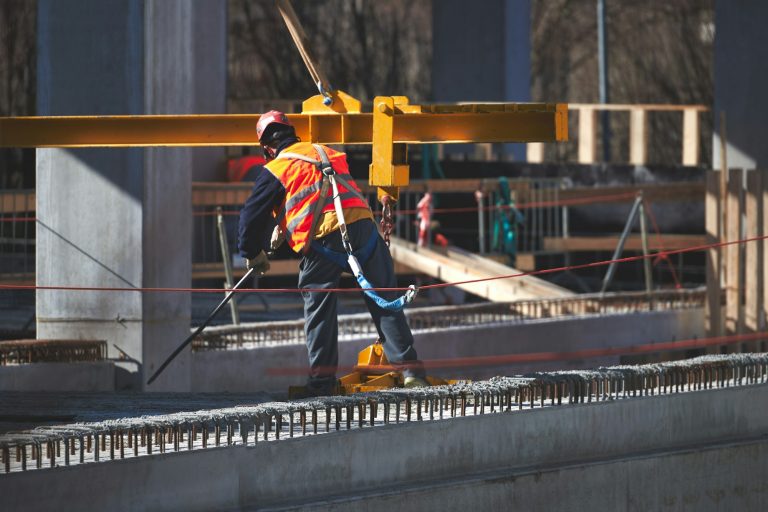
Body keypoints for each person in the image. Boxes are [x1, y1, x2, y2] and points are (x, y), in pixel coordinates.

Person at [238, 110, 428, 396]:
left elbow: (251, 216)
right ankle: (412, 373)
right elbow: (318, 190)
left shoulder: (276, 168)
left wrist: (252, 252)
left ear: (267, 148)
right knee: (385, 298)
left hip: (325, 238)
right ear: (292, 134)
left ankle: (321, 383)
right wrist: (284, 223)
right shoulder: (326, 152)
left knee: (319, 307)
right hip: (364, 227)